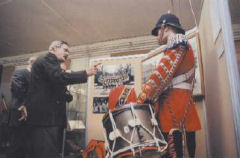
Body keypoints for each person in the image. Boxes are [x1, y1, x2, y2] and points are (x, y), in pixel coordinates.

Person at [137, 13, 201, 158]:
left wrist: (140, 100)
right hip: (180, 105)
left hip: (175, 107)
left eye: (158, 31)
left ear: (165, 28)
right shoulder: (179, 45)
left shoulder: (178, 42)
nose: (157, 36)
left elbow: (159, 76)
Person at [26, 40, 99, 158]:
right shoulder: (48, 59)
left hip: (47, 119)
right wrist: (85, 73)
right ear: (54, 48)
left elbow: (55, 86)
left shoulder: (48, 63)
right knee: (46, 153)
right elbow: (59, 77)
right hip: (46, 119)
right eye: (65, 50)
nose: (67, 54)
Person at [7, 57, 36, 158]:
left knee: (26, 144)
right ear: (31, 62)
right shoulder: (20, 72)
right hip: (19, 111)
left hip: (30, 114)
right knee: (16, 143)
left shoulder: (35, 77)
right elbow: (18, 89)